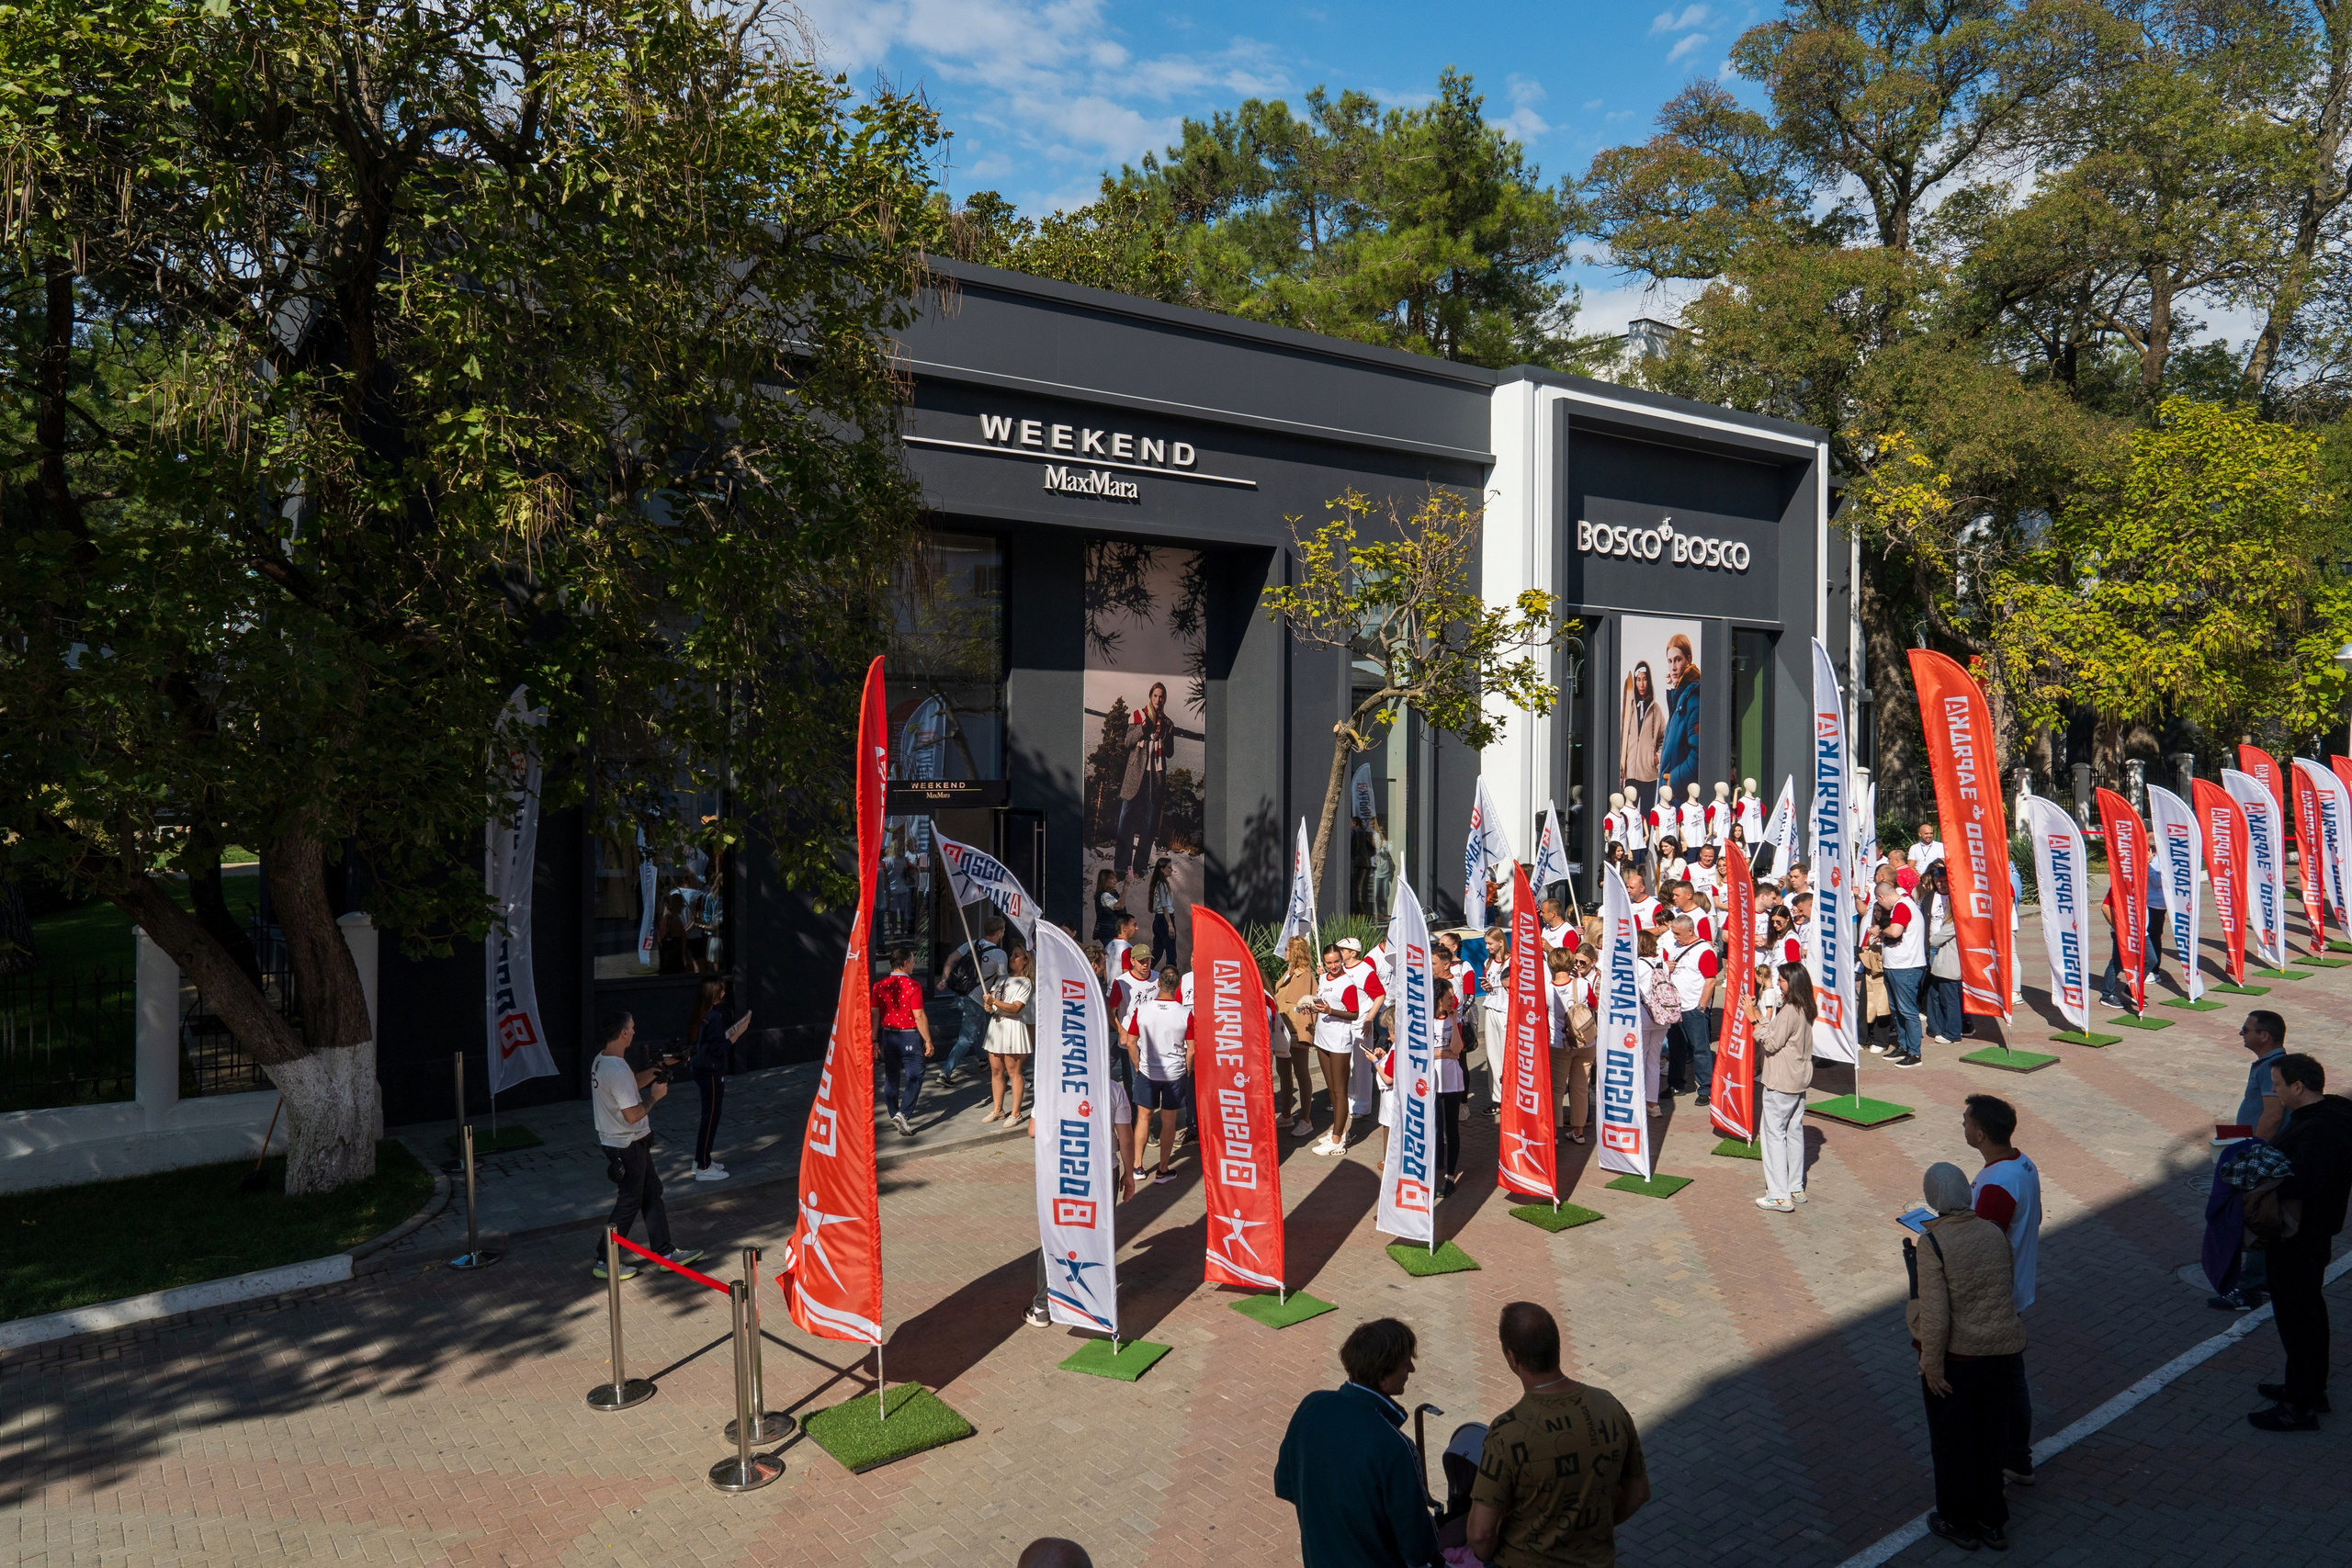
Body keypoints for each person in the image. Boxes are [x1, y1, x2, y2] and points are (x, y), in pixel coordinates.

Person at [1466, 1302, 1648, 1568]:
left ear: (1513, 1358)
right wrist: (1594, 1528)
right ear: (1556, 1347)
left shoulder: (1507, 1432)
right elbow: (1639, 1492)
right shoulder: (1609, 1406)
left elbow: (1480, 1534)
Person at [1907, 1162, 2026, 1551]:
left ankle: (1958, 1521)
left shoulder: (1933, 1244)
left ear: (1933, 1199)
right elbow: (2005, 1282)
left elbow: (1936, 1314)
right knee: (1993, 1439)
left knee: (1954, 1445)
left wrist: (1932, 1367)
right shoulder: (1993, 1231)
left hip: (1960, 1360)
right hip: (2003, 1352)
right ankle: (1993, 1522)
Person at [1274, 1318, 1443, 1568]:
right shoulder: (1394, 1446)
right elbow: (1418, 1548)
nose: (1411, 1369)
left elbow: (1285, 1485)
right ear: (1383, 1377)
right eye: (1405, 1362)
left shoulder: (1311, 1406)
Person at [2250, 1054, 2352, 1430]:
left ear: (2298, 1087)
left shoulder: (2317, 1130)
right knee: (2306, 1312)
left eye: (2278, 1085)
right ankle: (2308, 1387)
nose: (2275, 1091)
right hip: (2311, 1232)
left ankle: (2300, 1405)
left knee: (2298, 1317)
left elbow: (2304, 1182)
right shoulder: (2329, 1116)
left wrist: (2264, 1173)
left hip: (2300, 1234)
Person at [1963, 1093, 2042, 1486]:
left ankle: (2012, 1457)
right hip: (2014, 1287)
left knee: (2005, 1382)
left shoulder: (1997, 1182)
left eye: (1965, 1122)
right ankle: (2016, 1456)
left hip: (1996, 1298)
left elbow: (1983, 1245)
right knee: (2011, 1378)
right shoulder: (2022, 1164)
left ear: (1979, 1133)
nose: (1962, 1126)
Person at [588, 1010, 703, 1279]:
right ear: (624, 1032)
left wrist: (659, 1069)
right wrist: (655, 1097)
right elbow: (632, 1114)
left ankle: (665, 1252)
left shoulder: (604, 1060)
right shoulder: (616, 1069)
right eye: (632, 1026)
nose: (635, 1031)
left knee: (651, 1193)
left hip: (628, 1142)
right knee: (629, 1201)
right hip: (626, 1145)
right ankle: (604, 1261)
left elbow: (629, 1085)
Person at [2214, 1010, 2292, 1310]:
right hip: (2263, 1151)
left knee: (2258, 1220)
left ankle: (2249, 1291)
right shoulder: (2270, 1065)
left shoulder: (2271, 1067)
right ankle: (2267, 1282)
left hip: (2261, 1156)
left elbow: (2272, 1117)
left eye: (2246, 1030)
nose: (2241, 1034)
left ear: (2265, 1036)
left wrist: (2252, 1153)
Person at [1750, 963, 1815, 1212]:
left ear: (1794, 982)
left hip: (1782, 1079)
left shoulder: (1790, 1009)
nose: (1778, 983)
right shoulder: (1806, 1007)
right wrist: (1757, 1015)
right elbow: (1777, 1034)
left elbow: (1771, 1043)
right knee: (1794, 1131)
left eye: (1782, 980)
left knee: (1773, 1134)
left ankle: (1778, 1194)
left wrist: (1754, 1022)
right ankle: (1794, 1187)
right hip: (1798, 1077)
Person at [1310, 944, 1375, 1153]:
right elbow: (1322, 1001)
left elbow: (1354, 1014)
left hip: (1339, 1041)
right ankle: (1339, 1129)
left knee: (1340, 1091)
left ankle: (1338, 1141)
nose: (1333, 966)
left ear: (1342, 959)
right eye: (1329, 963)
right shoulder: (1323, 978)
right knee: (1330, 1088)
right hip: (1322, 1038)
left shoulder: (1347, 983)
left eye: (1336, 961)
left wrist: (1331, 1010)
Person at [684, 978, 751, 1181]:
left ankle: (701, 1160)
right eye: (721, 991)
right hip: (711, 1073)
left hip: (700, 1069)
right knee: (711, 1118)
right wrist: (736, 1034)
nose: (724, 994)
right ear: (714, 994)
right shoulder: (714, 1017)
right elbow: (718, 1048)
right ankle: (704, 1167)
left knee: (708, 1116)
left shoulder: (701, 1014)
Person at [1114, 681, 1175, 880]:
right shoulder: (1138, 715)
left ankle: (1139, 867)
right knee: (1125, 821)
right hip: (1135, 775)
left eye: (1161, 696)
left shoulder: (1168, 723)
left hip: (1155, 777)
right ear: (1150, 696)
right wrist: (1142, 728)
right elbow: (1127, 742)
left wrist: (1164, 738)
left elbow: (1171, 753)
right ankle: (1122, 867)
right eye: (1155, 695)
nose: (1158, 699)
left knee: (1149, 824)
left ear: (1164, 699)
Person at [1658, 912, 1719, 1108]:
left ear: (1690, 931)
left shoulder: (1704, 950)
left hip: (1693, 1008)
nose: (1675, 937)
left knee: (1700, 1049)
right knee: (1676, 1049)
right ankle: (1676, 1084)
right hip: (1675, 1009)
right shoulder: (1674, 947)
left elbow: (1711, 980)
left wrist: (1702, 1006)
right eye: (1673, 933)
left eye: (1677, 933)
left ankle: (1705, 1088)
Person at [871, 944, 933, 1134]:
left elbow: (874, 1014)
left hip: (888, 1035)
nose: (914, 965)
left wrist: (874, 1039)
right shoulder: (913, 986)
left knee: (891, 1076)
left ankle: (894, 1113)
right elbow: (919, 1015)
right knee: (915, 1076)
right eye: (913, 961)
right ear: (905, 963)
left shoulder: (879, 986)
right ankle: (903, 1114)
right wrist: (928, 1040)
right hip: (909, 1035)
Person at [939, 916, 1008, 1084]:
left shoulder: (972, 944)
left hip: (961, 995)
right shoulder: (999, 954)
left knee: (980, 1026)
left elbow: (951, 959)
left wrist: (943, 980)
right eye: (1003, 931)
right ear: (999, 932)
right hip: (977, 999)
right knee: (967, 1037)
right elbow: (1002, 981)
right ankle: (945, 1072)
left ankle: (983, 1059)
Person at [1871, 869, 1928, 1067]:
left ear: (1881, 896)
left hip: (1906, 966)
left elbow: (1895, 931)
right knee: (1898, 1009)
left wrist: (1880, 930)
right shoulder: (1900, 904)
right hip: (1897, 965)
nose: (1882, 908)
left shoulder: (1903, 906)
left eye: (1880, 903)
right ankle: (1904, 1046)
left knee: (1907, 1010)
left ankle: (1914, 1053)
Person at [981, 943, 1035, 1125]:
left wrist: (994, 1001)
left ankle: (1016, 1113)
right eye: (1012, 954)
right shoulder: (1001, 979)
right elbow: (993, 1003)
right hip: (997, 1026)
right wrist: (989, 1005)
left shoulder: (1026, 982)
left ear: (1025, 960)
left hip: (1013, 1026)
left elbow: (1015, 1007)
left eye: (1017, 955)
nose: (1012, 958)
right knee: (996, 1070)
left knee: (1014, 1072)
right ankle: (998, 1109)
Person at [1274, 933, 1321, 1137]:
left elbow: (1307, 1008)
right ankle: (1286, 1115)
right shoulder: (1288, 973)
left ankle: (1306, 1119)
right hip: (1281, 1032)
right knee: (1284, 1073)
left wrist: (1304, 1037)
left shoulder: (1305, 977)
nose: (1284, 952)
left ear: (1295, 952)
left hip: (1296, 1034)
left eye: (1287, 949)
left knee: (1302, 1074)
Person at [1921, 862, 1964, 1045]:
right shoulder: (1929, 898)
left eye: (1945, 881)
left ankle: (1953, 1031)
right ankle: (1936, 1026)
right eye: (1938, 881)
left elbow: (1942, 936)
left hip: (1949, 958)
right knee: (1934, 992)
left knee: (1950, 996)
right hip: (1940, 954)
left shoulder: (1956, 910)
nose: (1941, 884)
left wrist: (1933, 941)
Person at [1432, 976, 1467, 1196]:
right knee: (1433, 1127)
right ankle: (1433, 1167)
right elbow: (1421, 1051)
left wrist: (1453, 1021)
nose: (1452, 1000)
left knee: (1450, 1128)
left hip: (1452, 1081)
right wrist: (1444, 1054)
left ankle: (1450, 1176)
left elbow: (1457, 1050)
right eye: (1449, 997)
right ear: (1438, 998)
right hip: (1429, 1082)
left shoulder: (1454, 1020)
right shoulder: (1425, 1019)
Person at [1619, 661, 1664, 822]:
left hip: (1649, 775)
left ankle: (1644, 847)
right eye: (1638, 680)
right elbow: (1621, 737)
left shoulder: (1656, 710)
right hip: (1630, 773)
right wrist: (1621, 766)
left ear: (1649, 681)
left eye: (1644, 680)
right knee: (1628, 817)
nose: (1641, 684)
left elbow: (1663, 739)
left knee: (1646, 818)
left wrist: (1656, 758)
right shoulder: (1628, 709)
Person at [1658, 633, 1701, 800]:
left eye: (1678, 660)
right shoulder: (1679, 700)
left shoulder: (1693, 700)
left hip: (1680, 800)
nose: (1673, 667)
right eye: (1670, 661)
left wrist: (1673, 781)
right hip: (1670, 798)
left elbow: (1698, 752)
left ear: (1688, 660)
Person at [1148, 855, 1180, 967]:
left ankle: (1148, 969)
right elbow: (1165, 906)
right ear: (1162, 869)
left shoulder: (1159, 884)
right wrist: (1170, 925)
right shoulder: (1162, 885)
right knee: (1171, 950)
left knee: (1157, 951)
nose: (1171, 870)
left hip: (1159, 919)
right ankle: (1172, 975)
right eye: (1169, 868)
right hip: (1165, 919)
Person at [1091, 869, 1123, 941]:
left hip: (1112, 931)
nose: (1115, 880)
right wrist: (1126, 887)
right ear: (1104, 880)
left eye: (1115, 878)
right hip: (1108, 931)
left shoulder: (1113, 893)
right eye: (1112, 878)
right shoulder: (1104, 895)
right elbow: (1119, 906)